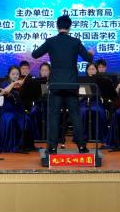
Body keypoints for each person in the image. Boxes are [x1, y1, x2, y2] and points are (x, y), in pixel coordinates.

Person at [31, 14, 94, 153]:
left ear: (57, 26)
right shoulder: (75, 42)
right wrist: (91, 53)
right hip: (71, 84)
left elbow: (35, 55)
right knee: (75, 115)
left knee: (54, 116)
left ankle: (52, 147)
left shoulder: (50, 41)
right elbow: (88, 58)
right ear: (69, 27)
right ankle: (82, 146)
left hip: (55, 85)